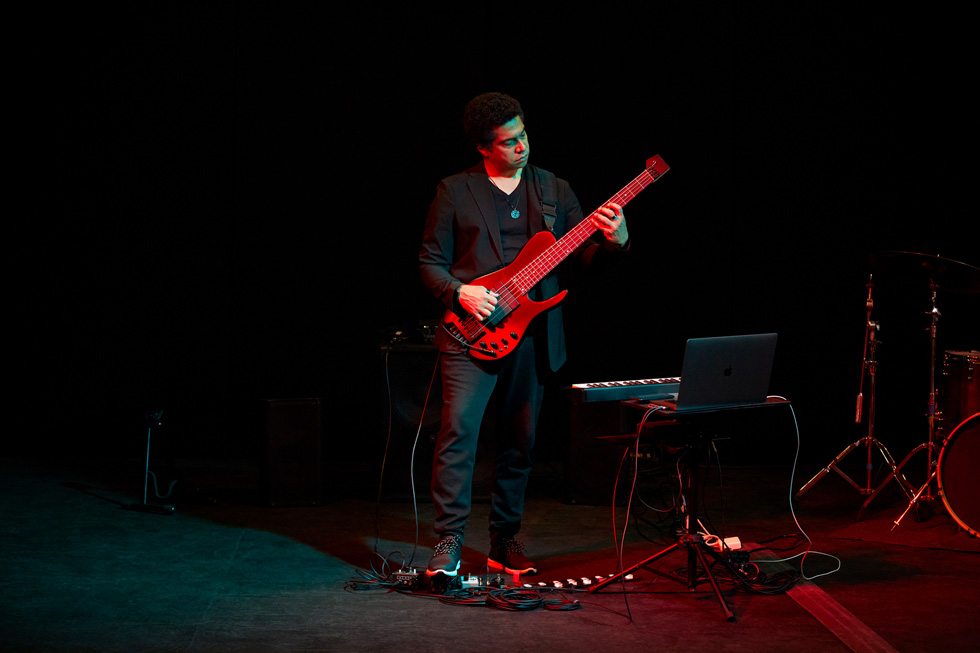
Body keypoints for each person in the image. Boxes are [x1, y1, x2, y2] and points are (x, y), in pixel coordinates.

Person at [418, 92, 629, 577]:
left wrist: (614, 244)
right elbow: (429, 264)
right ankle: (449, 539)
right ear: (483, 147)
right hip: (470, 333)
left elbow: (583, 260)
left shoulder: (554, 189)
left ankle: (504, 540)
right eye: (508, 141)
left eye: (524, 135)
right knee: (458, 434)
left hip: (530, 335)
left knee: (521, 442)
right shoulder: (454, 191)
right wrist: (460, 292)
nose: (522, 147)